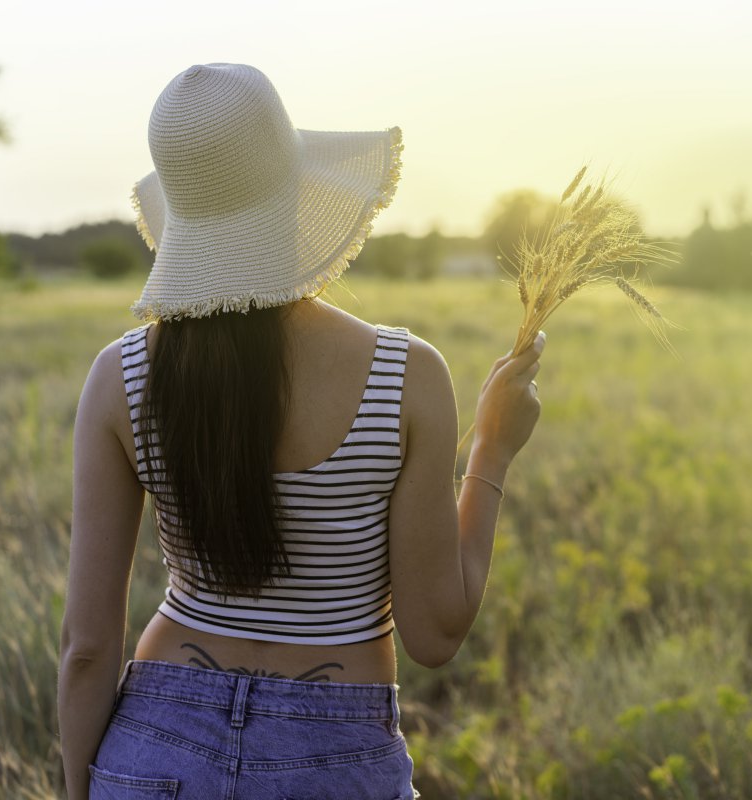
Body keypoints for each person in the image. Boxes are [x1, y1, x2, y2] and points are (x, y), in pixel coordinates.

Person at [58, 63, 544, 800]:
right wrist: (493, 450)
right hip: (336, 755)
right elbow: (435, 635)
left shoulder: (119, 377)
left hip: (153, 743)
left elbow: (88, 650)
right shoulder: (406, 374)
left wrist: (80, 789)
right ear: (297, 196)